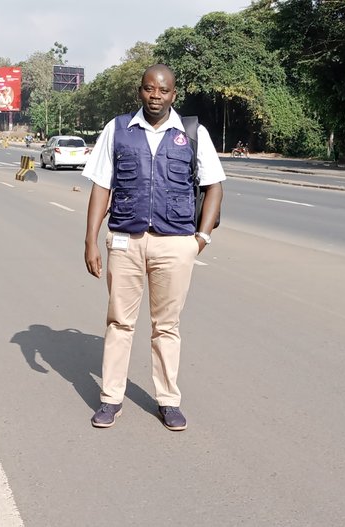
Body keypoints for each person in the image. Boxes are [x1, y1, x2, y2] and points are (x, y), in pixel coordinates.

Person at [82, 64, 224, 432]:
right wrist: (90, 240)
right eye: (149, 89)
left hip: (176, 243)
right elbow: (101, 187)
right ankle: (111, 398)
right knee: (119, 322)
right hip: (125, 242)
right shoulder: (117, 130)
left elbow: (214, 186)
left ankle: (168, 401)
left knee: (167, 326)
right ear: (139, 91)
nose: (155, 96)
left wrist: (201, 238)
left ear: (174, 94)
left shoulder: (192, 133)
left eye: (163, 90)